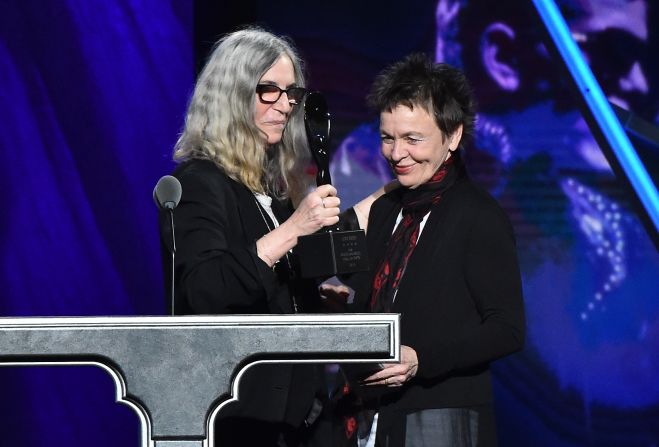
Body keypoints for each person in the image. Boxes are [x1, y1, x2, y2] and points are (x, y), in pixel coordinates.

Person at [158, 27, 343, 446]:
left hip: (300, 419)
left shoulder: (272, 191)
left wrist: (311, 295)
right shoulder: (199, 183)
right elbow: (205, 290)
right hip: (239, 420)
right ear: (232, 94)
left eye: (290, 94)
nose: (284, 106)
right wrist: (295, 228)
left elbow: (266, 285)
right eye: (268, 91)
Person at [340, 53, 525, 447]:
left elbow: (506, 329)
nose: (396, 153)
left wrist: (419, 359)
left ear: (453, 136)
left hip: (440, 417)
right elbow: (356, 294)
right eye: (388, 137)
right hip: (370, 416)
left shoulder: (479, 215)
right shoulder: (386, 208)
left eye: (413, 139)